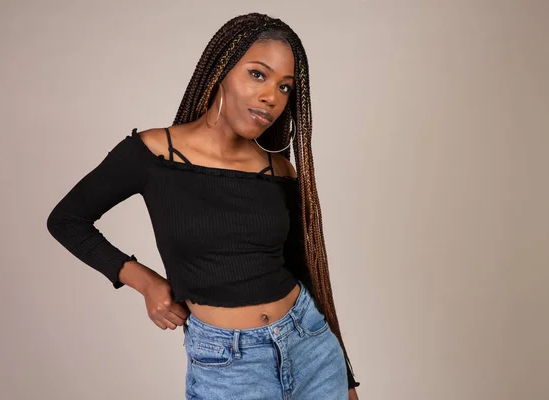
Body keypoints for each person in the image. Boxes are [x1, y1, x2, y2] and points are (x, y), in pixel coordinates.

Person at [47, 12, 360, 400]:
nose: (272, 97)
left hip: (310, 343)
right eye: (258, 75)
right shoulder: (153, 155)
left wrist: (344, 377)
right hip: (228, 365)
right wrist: (145, 283)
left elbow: (305, 271)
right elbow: (67, 219)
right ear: (222, 70)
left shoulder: (279, 169)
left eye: (285, 87)